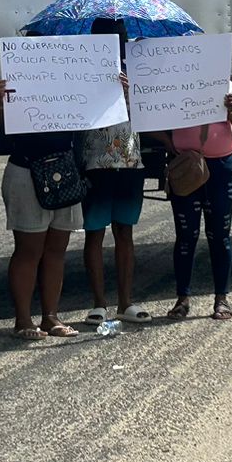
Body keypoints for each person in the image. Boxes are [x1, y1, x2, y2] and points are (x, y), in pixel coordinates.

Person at [0, 76, 82, 339]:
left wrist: (113, 90)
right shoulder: (18, 81)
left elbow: (97, 114)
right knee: (29, 250)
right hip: (26, 168)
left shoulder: (73, 76)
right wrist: (1, 102)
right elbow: (6, 127)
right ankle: (23, 320)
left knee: (57, 249)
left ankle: (50, 316)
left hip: (65, 169)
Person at [78, 19, 152, 324]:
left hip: (130, 161)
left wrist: (131, 90)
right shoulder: (80, 68)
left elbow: (152, 109)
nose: (116, 38)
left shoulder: (137, 67)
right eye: (108, 33)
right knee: (94, 233)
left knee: (125, 231)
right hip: (94, 161)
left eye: (119, 34)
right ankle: (99, 303)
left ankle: (125, 302)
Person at [161, 82, 232, 320]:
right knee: (185, 236)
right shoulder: (176, 87)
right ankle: (182, 299)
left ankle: (221, 299)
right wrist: (170, 144)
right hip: (187, 167)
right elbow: (150, 118)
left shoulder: (231, 89)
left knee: (219, 236)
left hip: (221, 168)